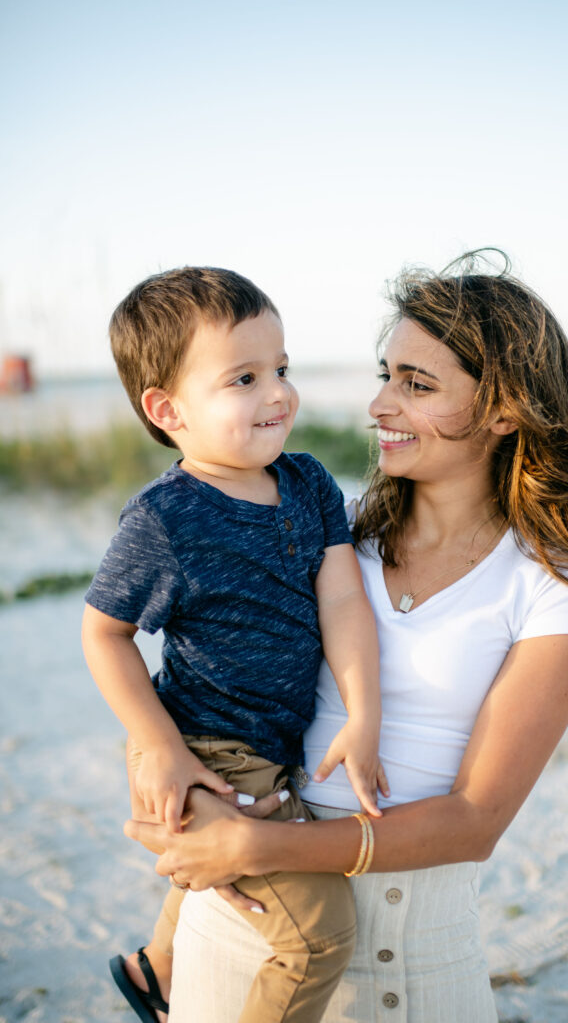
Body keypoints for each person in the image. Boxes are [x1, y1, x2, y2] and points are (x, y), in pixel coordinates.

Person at [125, 251, 568, 1023]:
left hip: (410, 966)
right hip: (237, 930)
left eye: (416, 384)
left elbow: (474, 821)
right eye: (385, 374)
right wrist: (162, 768)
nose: (378, 404)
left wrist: (258, 848)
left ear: (504, 410)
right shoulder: (331, 534)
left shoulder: (554, 585)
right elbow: (199, 661)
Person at [81, 266, 389, 1023]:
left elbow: (344, 597)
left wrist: (362, 711)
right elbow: (104, 634)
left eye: (280, 368)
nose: (277, 391)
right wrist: (161, 749)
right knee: (321, 937)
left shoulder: (310, 483)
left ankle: (155, 969)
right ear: (168, 409)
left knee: (226, 873)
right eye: (244, 377)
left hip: (271, 738)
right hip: (201, 743)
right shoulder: (164, 521)